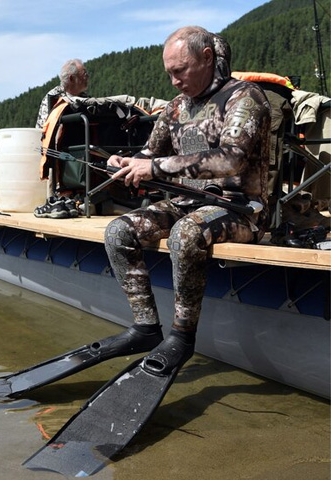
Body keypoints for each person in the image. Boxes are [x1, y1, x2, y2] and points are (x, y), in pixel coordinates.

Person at [102, 26, 271, 372]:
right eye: (169, 74)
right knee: (118, 231)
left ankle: (181, 337)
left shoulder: (244, 97)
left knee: (186, 234)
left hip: (239, 209)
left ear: (206, 58)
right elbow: (150, 152)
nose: (174, 81)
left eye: (180, 71)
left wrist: (155, 167)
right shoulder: (177, 107)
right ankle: (146, 327)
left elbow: (231, 158)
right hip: (186, 203)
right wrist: (123, 162)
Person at [35, 59, 89, 129]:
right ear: (71, 78)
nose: (87, 77)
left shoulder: (85, 97)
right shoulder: (53, 97)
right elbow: (44, 129)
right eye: (84, 74)